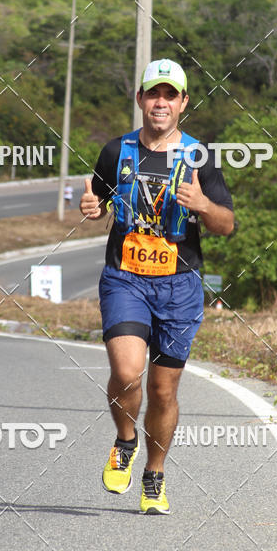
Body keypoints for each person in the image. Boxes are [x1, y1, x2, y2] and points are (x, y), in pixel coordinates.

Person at [80, 58, 234, 514]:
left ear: (184, 102)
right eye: (153, 94)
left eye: (170, 95)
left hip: (180, 285)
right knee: (127, 373)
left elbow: (226, 224)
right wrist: (91, 208)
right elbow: (99, 203)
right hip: (125, 277)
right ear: (140, 99)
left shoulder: (199, 157)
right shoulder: (116, 151)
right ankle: (125, 441)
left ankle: (154, 474)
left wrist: (204, 203)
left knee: (164, 392)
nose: (160, 103)